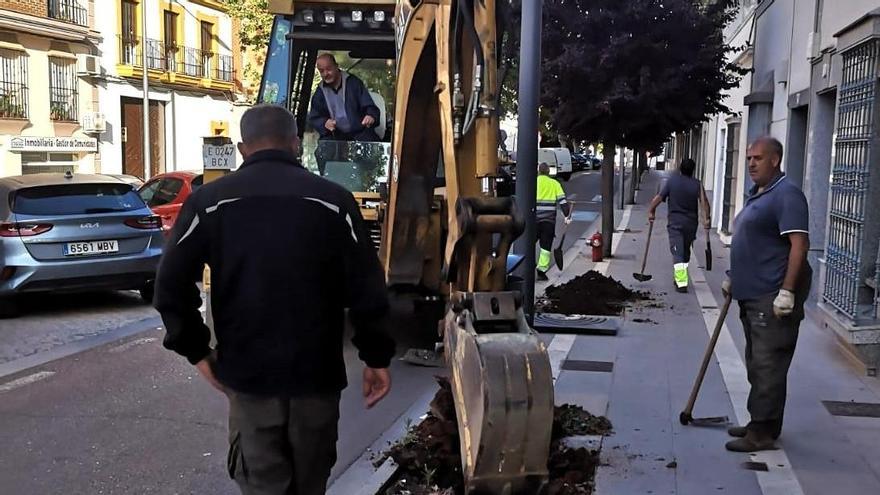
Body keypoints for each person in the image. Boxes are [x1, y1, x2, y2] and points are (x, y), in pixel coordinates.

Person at [154, 104, 395, 494]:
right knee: (310, 482)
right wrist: (376, 357)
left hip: (250, 377)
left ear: (241, 148)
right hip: (316, 376)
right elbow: (368, 287)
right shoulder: (335, 201)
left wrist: (197, 350)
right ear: (296, 144)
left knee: (263, 483)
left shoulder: (209, 203)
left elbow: (169, 286)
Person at [723, 136, 811, 452]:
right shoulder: (758, 194)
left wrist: (786, 292)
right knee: (757, 363)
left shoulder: (787, 195)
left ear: (775, 160)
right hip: (751, 293)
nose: (750, 164)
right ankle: (762, 423)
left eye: (757, 158)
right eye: (748, 158)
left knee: (767, 365)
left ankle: (761, 432)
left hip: (770, 297)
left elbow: (799, 245)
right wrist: (735, 275)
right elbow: (754, 241)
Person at [308, 54, 381, 175]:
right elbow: (315, 117)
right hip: (334, 135)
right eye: (322, 71)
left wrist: (370, 116)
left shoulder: (353, 83)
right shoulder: (320, 91)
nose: (326, 73)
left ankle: (371, 183)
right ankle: (328, 183)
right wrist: (324, 123)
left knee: (372, 150)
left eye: (329, 69)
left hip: (360, 132)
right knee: (322, 152)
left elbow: (370, 107)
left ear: (337, 67)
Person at [647, 158, 710, 293]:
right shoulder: (697, 184)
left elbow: (659, 197)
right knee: (685, 252)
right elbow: (704, 202)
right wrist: (707, 219)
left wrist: (651, 210)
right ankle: (680, 277)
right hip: (691, 225)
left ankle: (681, 282)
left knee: (678, 253)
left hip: (675, 224)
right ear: (693, 170)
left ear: (680, 168)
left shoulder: (672, 182)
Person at [536, 162, 572, 281]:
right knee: (545, 247)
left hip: (533, 221)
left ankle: (525, 266)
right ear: (548, 172)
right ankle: (541, 270)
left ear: (539, 171)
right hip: (548, 221)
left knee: (528, 244)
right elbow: (563, 203)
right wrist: (567, 216)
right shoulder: (554, 184)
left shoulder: (533, 182)